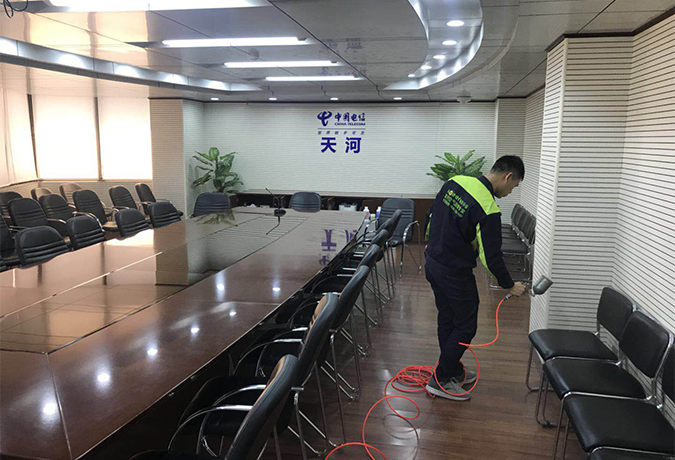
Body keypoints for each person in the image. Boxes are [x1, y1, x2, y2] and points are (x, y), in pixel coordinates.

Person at [424, 155, 527, 400]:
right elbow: (491, 258)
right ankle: (441, 379)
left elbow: (431, 216)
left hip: (433, 262)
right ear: (507, 176)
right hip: (454, 272)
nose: (510, 192)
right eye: (513, 186)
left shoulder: (456, 182)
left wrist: (433, 245)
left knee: (447, 318)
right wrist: (509, 285)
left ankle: (452, 370)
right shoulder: (488, 209)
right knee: (466, 326)